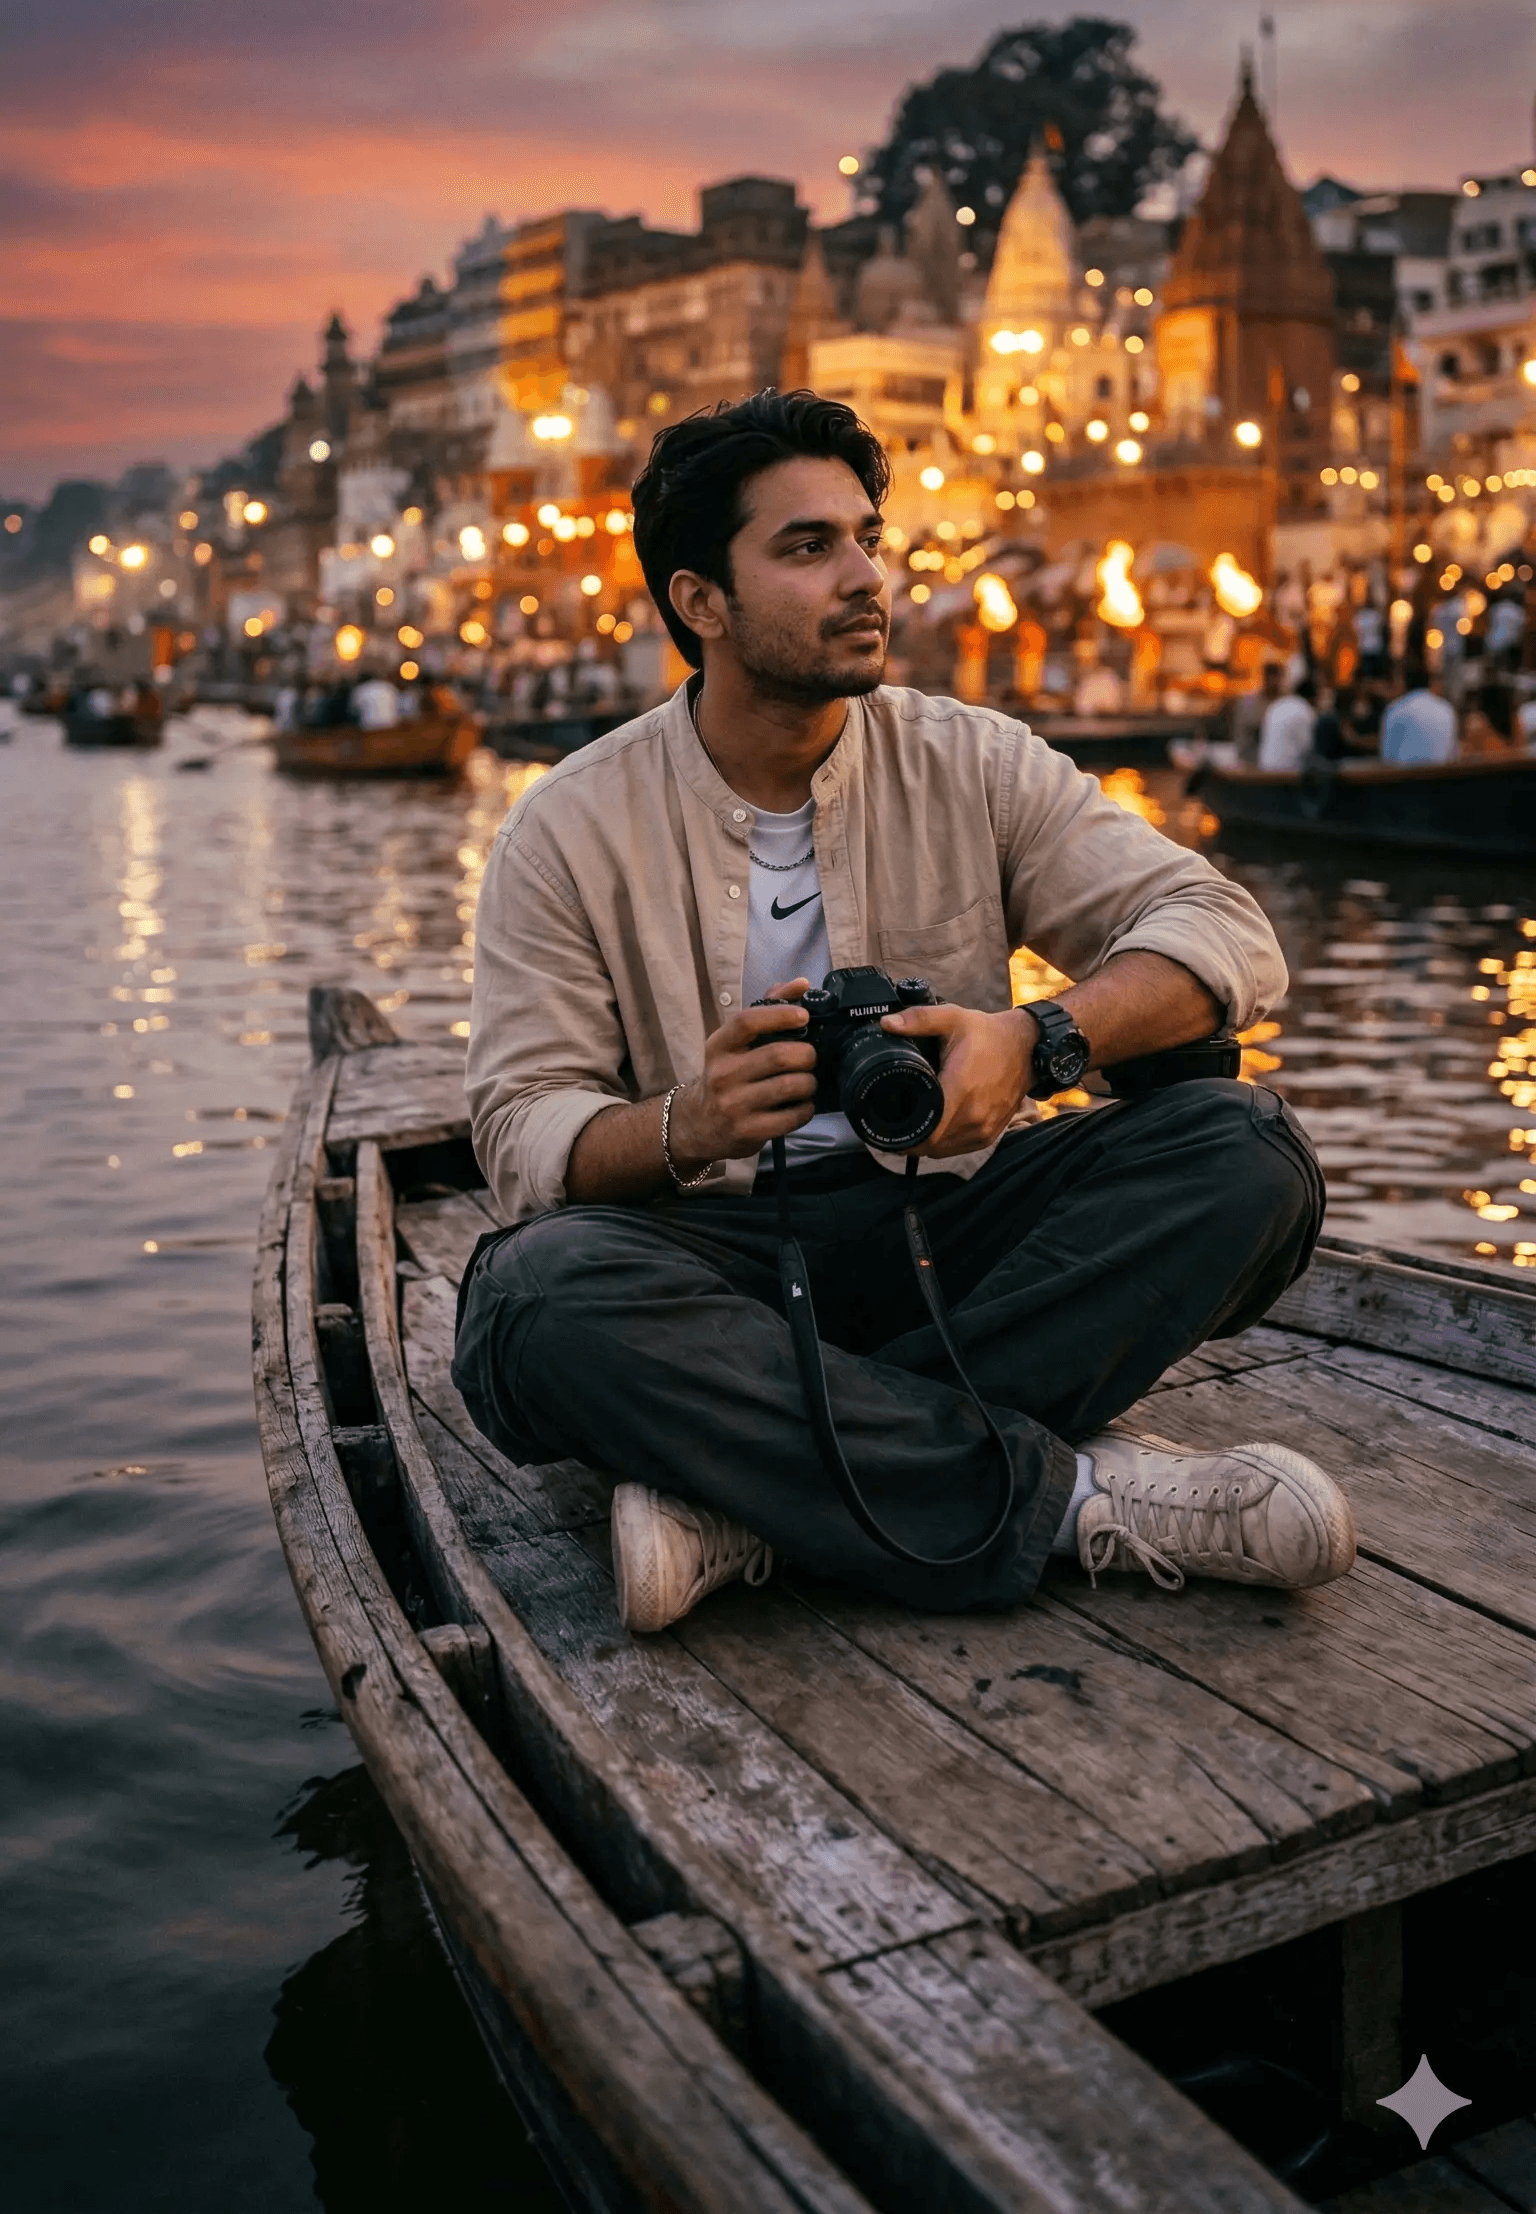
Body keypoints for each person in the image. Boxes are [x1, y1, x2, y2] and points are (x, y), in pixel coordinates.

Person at [452, 390, 1354, 1636]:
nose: (867, 576)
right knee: (530, 1301)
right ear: (699, 602)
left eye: (868, 537)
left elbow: (1223, 932)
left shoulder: (971, 760)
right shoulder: (566, 826)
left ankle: (755, 1496)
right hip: (718, 1252)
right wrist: (690, 1122)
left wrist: (1033, 1045)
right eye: (809, 548)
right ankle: (1081, 1493)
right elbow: (522, 1132)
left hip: (953, 1220)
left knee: (1246, 1153)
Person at [1379, 662, 1457, 764]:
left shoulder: (1396, 710)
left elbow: (1387, 757)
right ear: (1429, 683)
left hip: (1404, 777)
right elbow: (1452, 754)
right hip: (1444, 777)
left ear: (1404, 682)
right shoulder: (1447, 709)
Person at [1257, 674, 1316, 771]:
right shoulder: (1305, 709)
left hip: (1265, 765)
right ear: (1313, 698)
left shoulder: (1277, 704)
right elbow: (1308, 746)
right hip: (1287, 770)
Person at [1232, 662, 1280, 765]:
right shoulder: (1248, 703)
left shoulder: (1287, 703)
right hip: (1251, 760)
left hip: (1279, 763)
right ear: (1264, 677)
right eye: (1270, 676)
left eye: (1276, 676)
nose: (1273, 681)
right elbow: (1241, 737)